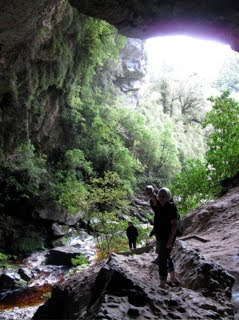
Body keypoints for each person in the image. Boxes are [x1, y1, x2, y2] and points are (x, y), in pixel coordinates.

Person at [145, 185, 179, 288]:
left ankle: (162, 281)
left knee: (162, 258)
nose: (161, 197)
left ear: (169, 197)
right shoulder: (157, 204)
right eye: (160, 195)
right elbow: (153, 198)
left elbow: (174, 225)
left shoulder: (172, 207)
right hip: (160, 235)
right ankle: (173, 277)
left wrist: (170, 240)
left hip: (169, 236)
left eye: (164, 196)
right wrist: (150, 191)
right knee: (165, 256)